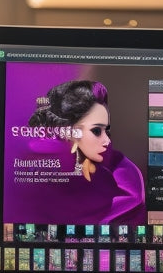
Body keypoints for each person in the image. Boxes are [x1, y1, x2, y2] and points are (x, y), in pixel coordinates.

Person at [26, 80, 145, 225]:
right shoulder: (34, 173)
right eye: (96, 131)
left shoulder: (123, 174)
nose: (107, 140)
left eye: (106, 130)